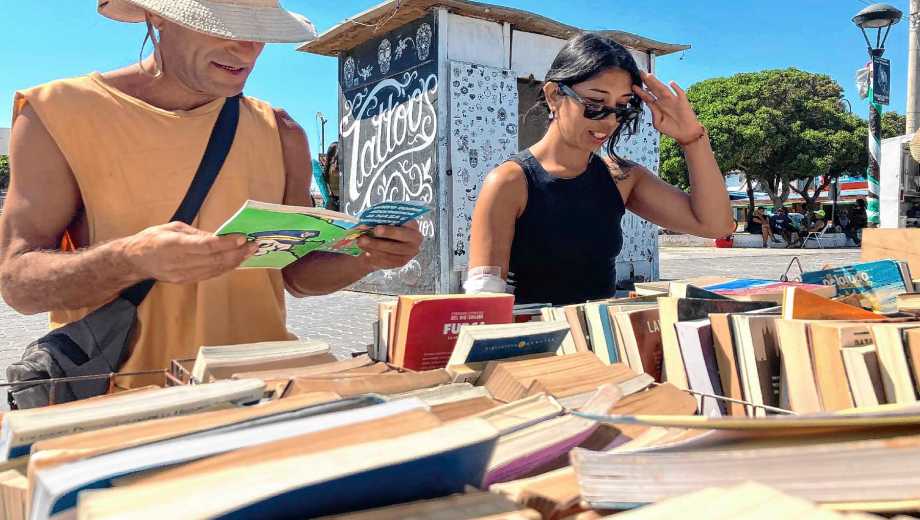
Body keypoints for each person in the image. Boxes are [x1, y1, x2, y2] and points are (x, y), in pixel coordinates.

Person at [0, 0, 422, 387]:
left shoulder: (282, 132)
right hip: (121, 409)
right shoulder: (56, 113)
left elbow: (297, 276)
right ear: (158, 15)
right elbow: (18, 285)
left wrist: (366, 255)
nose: (247, 48)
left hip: (266, 395)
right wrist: (128, 259)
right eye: (221, 26)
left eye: (257, 29)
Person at [467, 33, 734, 305]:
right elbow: (484, 297)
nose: (608, 121)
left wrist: (691, 138)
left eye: (621, 108)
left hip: (604, 340)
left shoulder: (621, 178)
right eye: (594, 104)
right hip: (537, 341)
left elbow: (716, 226)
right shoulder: (510, 181)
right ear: (554, 95)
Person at [322, 142, 341, 211]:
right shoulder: (325, 174)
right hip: (332, 202)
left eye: (339, 163)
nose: (335, 166)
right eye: (333, 162)